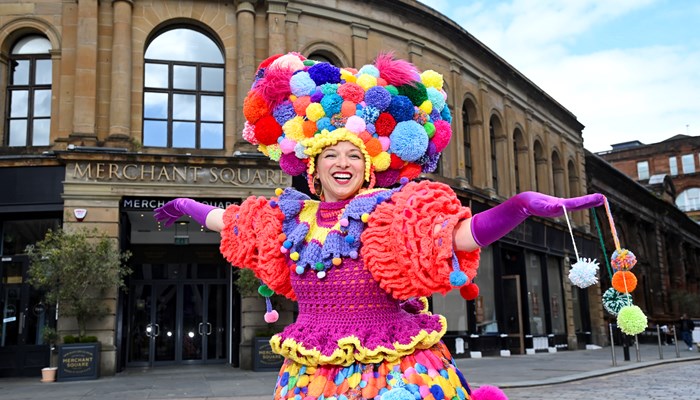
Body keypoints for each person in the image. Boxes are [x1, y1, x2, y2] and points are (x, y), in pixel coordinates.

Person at [155, 53, 604, 400]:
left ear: (369, 169)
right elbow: (226, 220)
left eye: (354, 155)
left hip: (394, 371)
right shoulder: (288, 219)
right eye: (331, 154)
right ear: (313, 169)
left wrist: (520, 206)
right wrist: (182, 203)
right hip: (310, 376)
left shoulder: (388, 215)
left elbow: (456, 237)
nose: (342, 163)